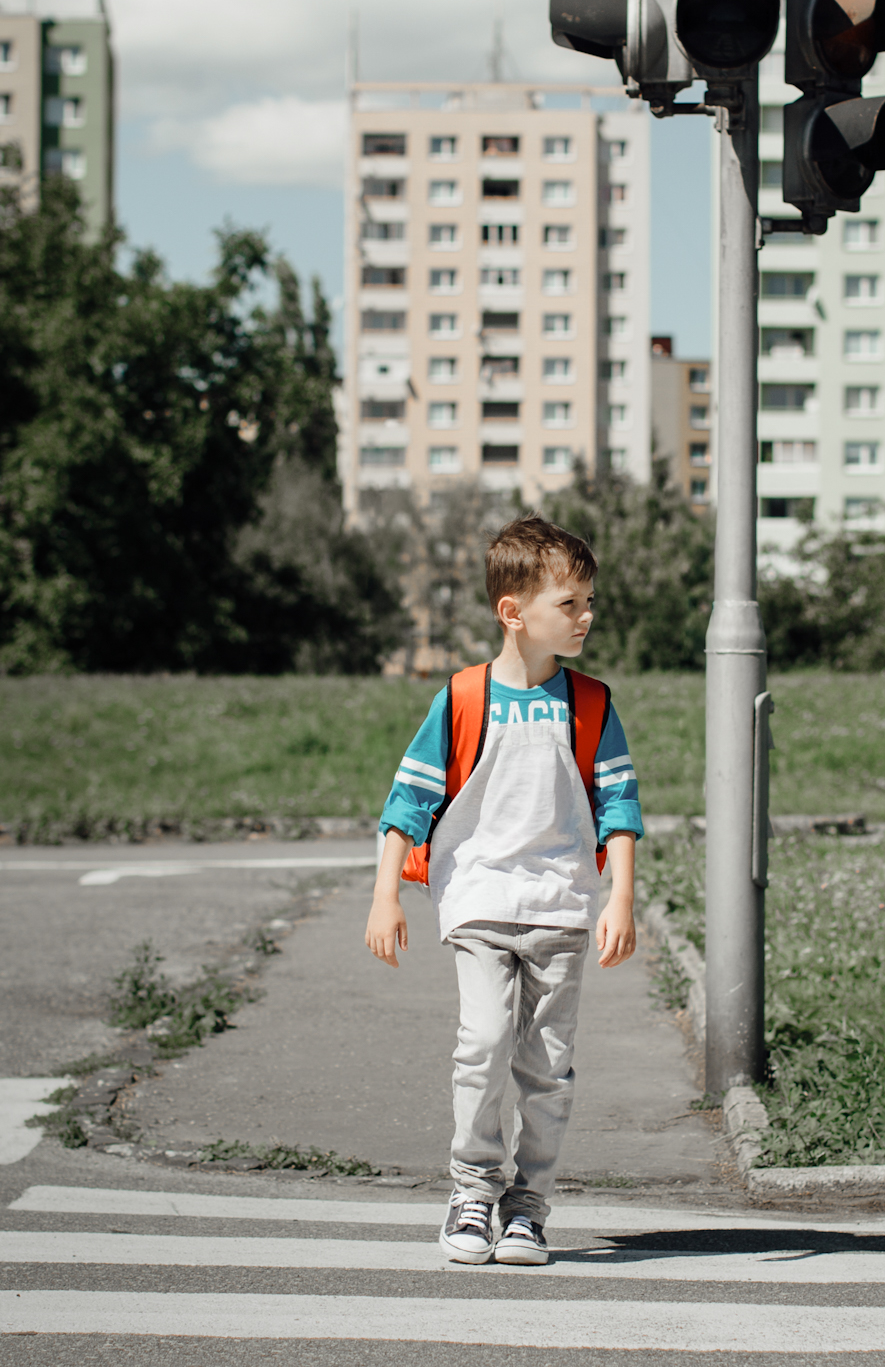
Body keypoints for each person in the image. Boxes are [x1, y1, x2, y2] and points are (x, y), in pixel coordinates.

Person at [365, 514, 643, 1267]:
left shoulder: (590, 704)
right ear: (513, 612)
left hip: (561, 906)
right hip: (480, 899)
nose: (587, 617)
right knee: (483, 1045)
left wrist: (619, 896)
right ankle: (471, 1192)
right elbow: (408, 801)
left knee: (546, 1069)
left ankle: (528, 1210)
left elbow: (619, 805)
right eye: (571, 604)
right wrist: (386, 894)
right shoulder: (462, 698)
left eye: (589, 602)